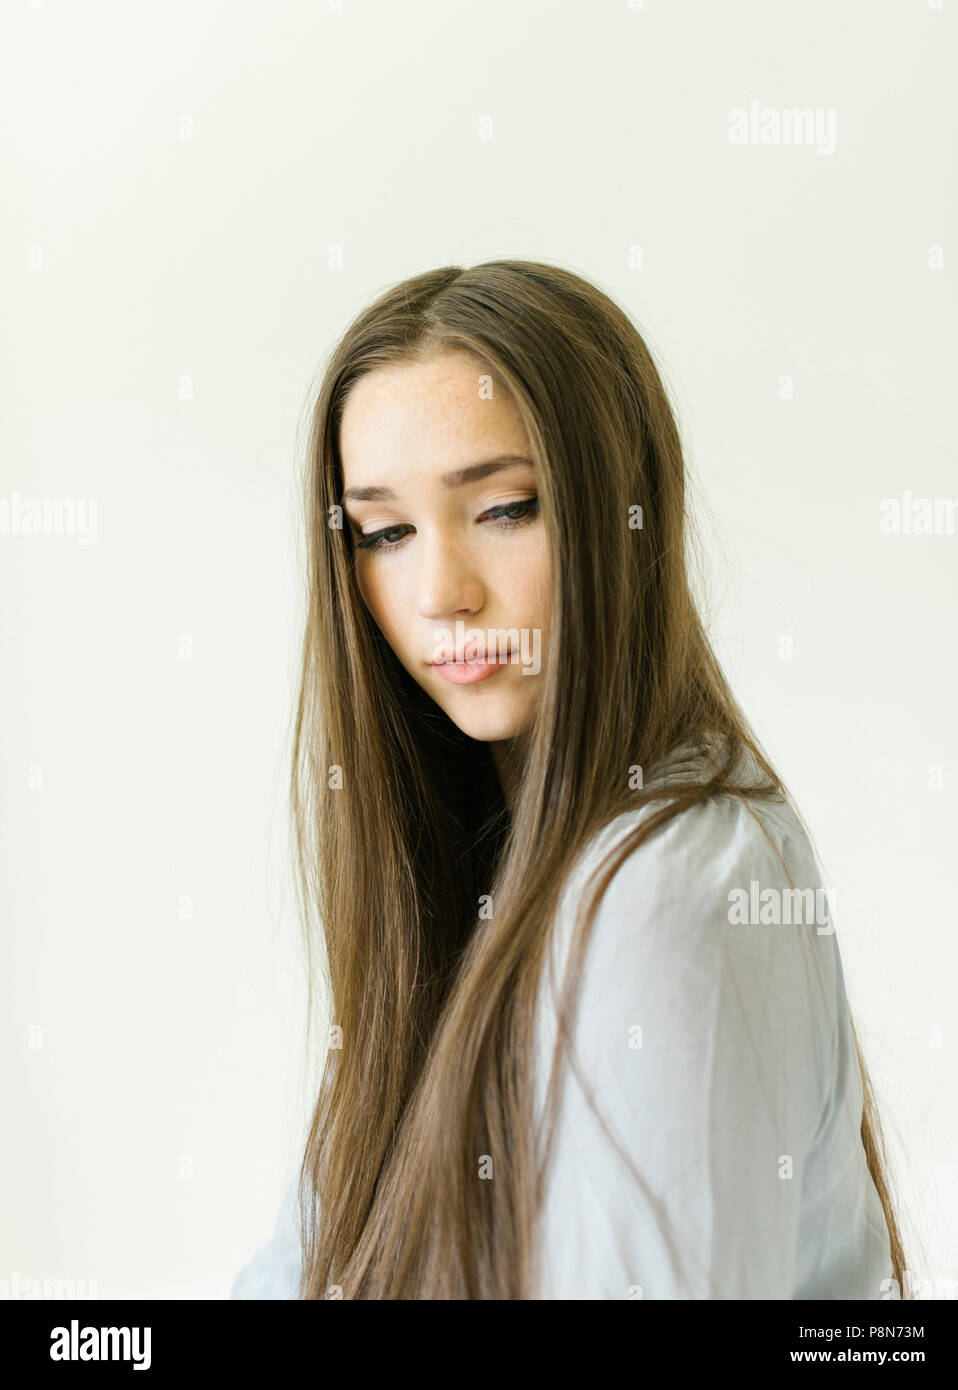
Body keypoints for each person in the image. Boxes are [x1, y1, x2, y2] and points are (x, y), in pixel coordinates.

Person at [230, 260, 906, 1300]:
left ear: (619, 513)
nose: (440, 592)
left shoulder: (673, 883)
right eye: (385, 533)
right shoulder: (479, 872)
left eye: (504, 508)